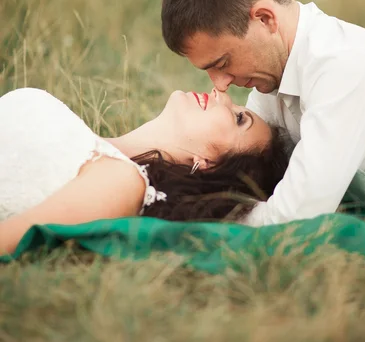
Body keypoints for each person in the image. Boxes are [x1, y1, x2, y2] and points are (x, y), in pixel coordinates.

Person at [161, 0, 365, 226]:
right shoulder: (273, 81)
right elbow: (243, 178)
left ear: (265, 19)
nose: (221, 85)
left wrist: (201, 221)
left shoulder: (346, 69)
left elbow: (295, 218)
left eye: (223, 63)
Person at [0, 86, 290, 254]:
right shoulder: (90, 146)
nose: (221, 93)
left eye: (239, 118)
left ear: (210, 164)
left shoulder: (121, 183)